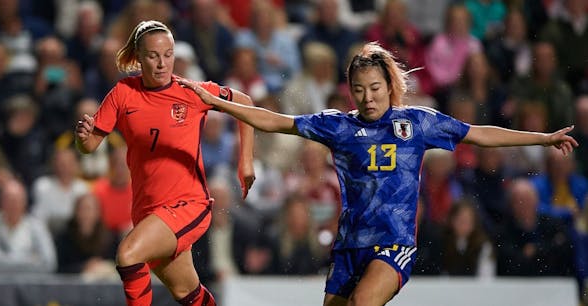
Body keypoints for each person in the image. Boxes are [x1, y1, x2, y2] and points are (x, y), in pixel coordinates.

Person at [179, 41, 578, 306]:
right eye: (358, 89)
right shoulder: (338, 126)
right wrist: (215, 102)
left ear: (389, 84)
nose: (367, 98)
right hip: (349, 246)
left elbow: (478, 135)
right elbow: (272, 121)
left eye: (374, 87)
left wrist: (541, 139)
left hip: (394, 244)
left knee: (363, 304)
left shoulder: (417, 123)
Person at [74, 20, 255, 306]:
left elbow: (245, 101)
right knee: (187, 293)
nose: (162, 63)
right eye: (153, 56)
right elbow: (89, 146)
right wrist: (82, 138)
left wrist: (245, 163)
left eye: (168, 55)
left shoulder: (192, 92)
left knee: (128, 254)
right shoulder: (123, 93)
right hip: (147, 212)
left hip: (187, 205)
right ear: (138, 57)